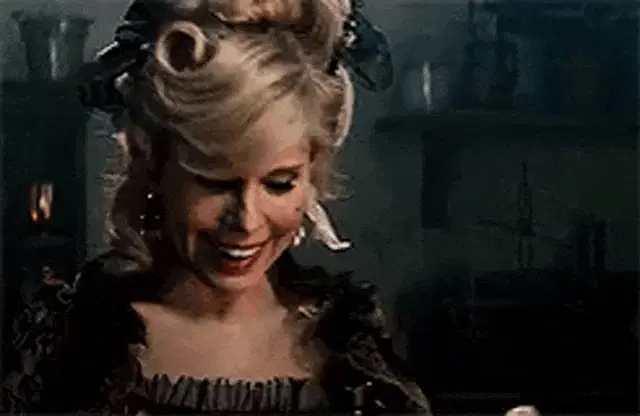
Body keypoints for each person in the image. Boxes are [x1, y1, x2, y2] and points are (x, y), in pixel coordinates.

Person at [0, 0, 431, 414]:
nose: (246, 220)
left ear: (311, 179)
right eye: (215, 182)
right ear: (156, 168)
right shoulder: (69, 346)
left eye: (279, 184)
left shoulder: (352, 350)